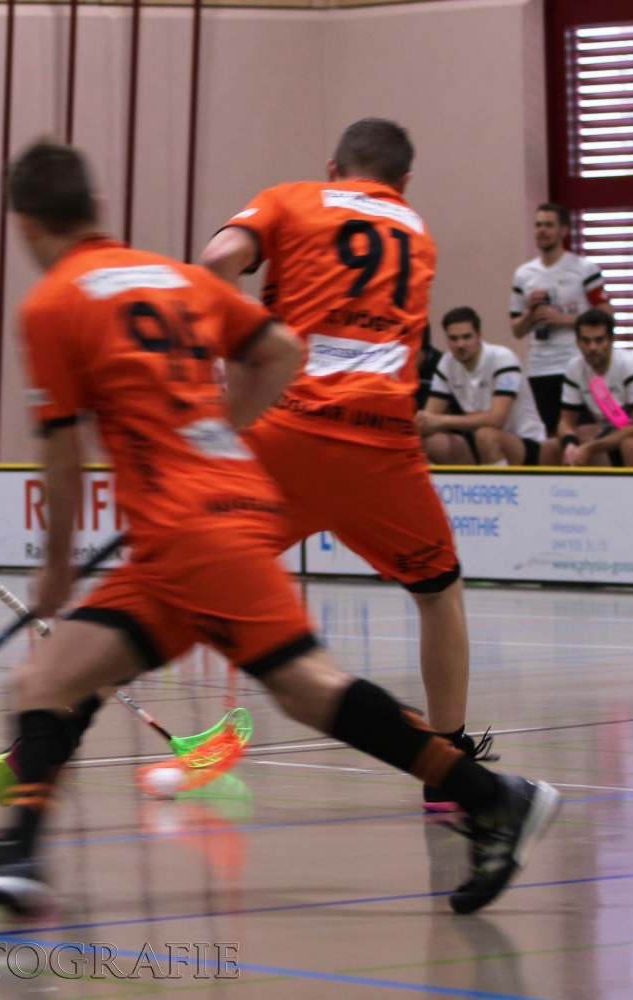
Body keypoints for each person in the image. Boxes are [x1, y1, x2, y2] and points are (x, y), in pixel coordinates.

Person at [0, 142, 558, 918]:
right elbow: (278, 350)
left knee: (308, 689)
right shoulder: (169, 277)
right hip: (215, 512)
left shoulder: (52, 303)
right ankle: (17, 852)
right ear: (97, 208)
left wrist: (53, 573)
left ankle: (492, 797)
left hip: (195, 531)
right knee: (47, 680)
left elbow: (63, 457)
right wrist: (219, 429)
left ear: (24, 224)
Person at [199, 119, 485, 810]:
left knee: (191, 577)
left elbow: (216, 261)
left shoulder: (290, 199)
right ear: (403, 180)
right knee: (438, 592)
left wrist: (226, 357)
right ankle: (448, 764)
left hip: (283, 432)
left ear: (333, 167)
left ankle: (59, 729)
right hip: (381, 445)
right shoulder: (417, 231)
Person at [509, 203, 610, 433]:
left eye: (548, 225)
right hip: (539, 368)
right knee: (549, 435)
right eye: (538, 225)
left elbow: (606, 315)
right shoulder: (524, 274)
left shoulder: (584, 269)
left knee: (585, 430)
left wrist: (562, 318)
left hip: (578, 364)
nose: (542, 230)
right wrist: (531, 313)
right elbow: (516, 330)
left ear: (564, 230)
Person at [540, 309, 633, 468]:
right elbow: (565, 421)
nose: (592, 347)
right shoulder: (574, 368)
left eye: (599, 340)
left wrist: (591, 447)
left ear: (611, 339)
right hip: (612, 439)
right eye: (586, 340)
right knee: (551, 447)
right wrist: (570, 443)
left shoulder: (631, 365)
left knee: (630, 444)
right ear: (577, 342)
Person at [418, 306, 546, 466]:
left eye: (466, 337)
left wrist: (442, 421)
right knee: (431, 441)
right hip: (478, 440)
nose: (460, 344)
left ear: (479, 335)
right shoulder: (447, 363)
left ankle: (497, 482)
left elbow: (496, 419)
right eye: (453, 338)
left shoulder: (502, 358)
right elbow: (429, 419)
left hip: (524, 440)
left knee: (487, 436)